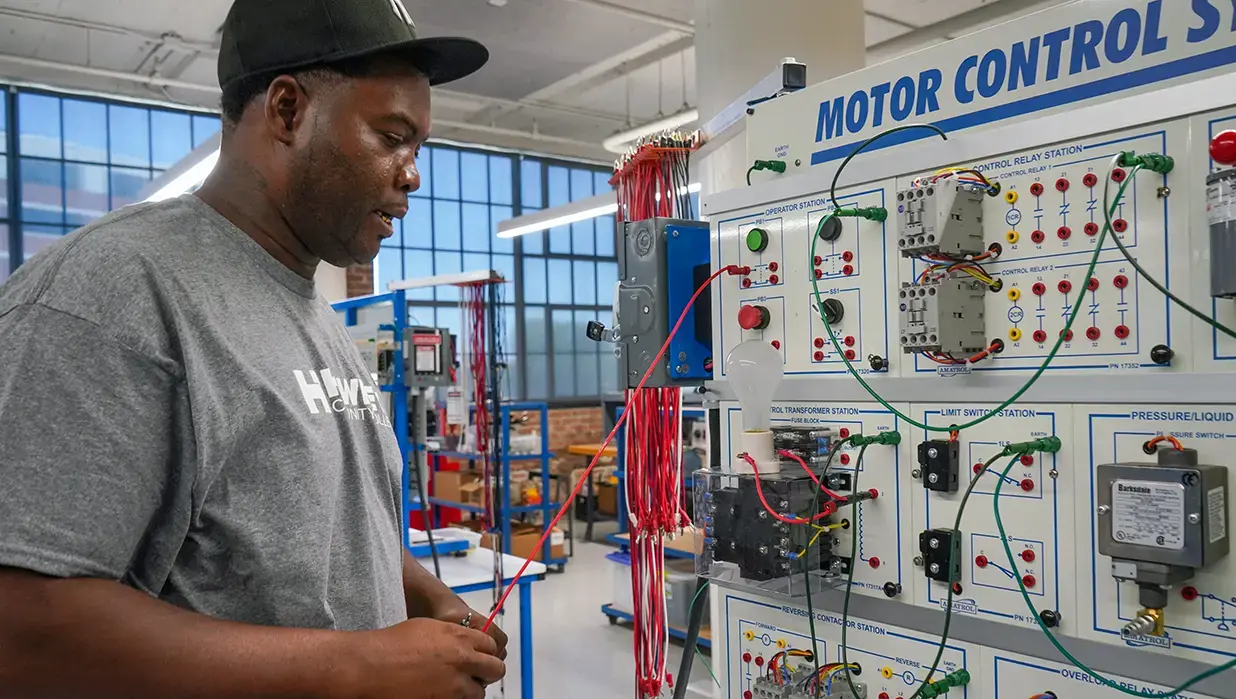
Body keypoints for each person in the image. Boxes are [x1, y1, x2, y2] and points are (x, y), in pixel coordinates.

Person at [0, 1, 508, 697]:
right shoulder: (111, 294)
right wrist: (363, 666)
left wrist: (427, 596)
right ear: (288, 111)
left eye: (418, 148)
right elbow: (22, 628)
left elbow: (320, 530)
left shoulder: (313, 311)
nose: (412, 174)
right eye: (392, 137)